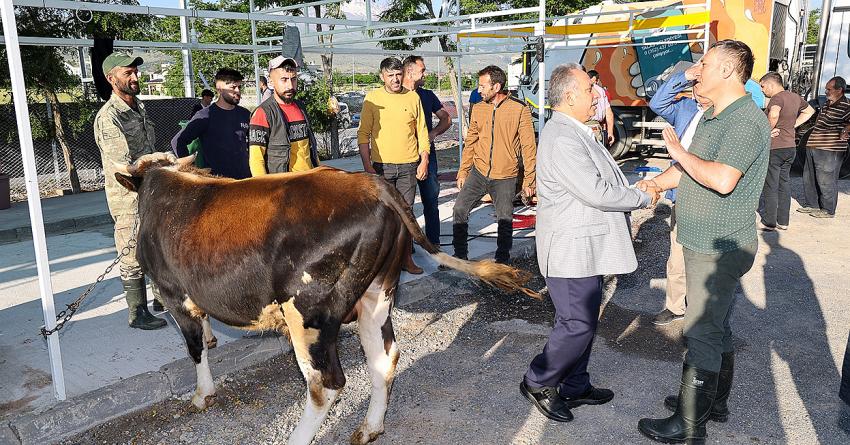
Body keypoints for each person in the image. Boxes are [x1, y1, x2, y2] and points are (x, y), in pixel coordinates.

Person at [636, 40, 770, 443]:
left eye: (705, 64)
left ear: (729, 71)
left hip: (718, 246)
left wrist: (677, 150)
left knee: (701, 331)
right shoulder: (714, 116)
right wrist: (657, 181)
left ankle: (689, 424)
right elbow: (689, 172)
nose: (696, 70)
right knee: (715, 326)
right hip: (702, 240)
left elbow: (722, 179)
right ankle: (714, 403)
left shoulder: (745, 120)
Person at [520, 62, 658, 423]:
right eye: (588, 90)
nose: (596, 94)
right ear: (569, 97)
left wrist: (632, 190)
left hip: (585, 250)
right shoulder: (563, 136)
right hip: (570, 251)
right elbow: (597, 191)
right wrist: (642, 197)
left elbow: (603, 180)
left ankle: (575, 384)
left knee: (585, 321)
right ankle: (539, 379)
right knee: (576, 324)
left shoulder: (576, 130)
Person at [93, 52, 168, 330]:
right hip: (128, 196)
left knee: (156, 245)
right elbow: (125, 165)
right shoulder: (109, 117)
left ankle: (162, 299)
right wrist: (162, 160)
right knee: (131, 250)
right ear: (111, 79)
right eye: (128, 73)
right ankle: (137, 312)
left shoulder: (139, 107)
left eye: (136, 72)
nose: (135, 77)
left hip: (150, 191)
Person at [647, 63, 713, 326]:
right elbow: (657, 103)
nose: (698, 88)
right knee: (677, 257)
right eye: (695, 83)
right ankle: (675, 306)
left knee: (705, 261)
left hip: (709, 197)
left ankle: (703, 310)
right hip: (682, 193)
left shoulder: (725, 114)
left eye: (702, 82)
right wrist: (685, 76)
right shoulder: (686, 108)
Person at [453, 65, 536, 264]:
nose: (479, 90)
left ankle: (502, 260)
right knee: (459, 209)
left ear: (496, 86)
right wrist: (463, 170)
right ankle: (460, 255)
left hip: (505, 176)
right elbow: (471, 141)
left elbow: (529, 147)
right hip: (479, 172)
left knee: (505, 219)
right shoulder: (478, 108)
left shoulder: (519, 109)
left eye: (483, 86)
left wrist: (529, 181)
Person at [358, 57, 430, 274]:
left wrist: (423, 160)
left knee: (406, 214)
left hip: (409, 165)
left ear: (403, 74)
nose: (396, 79)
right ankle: (385, 262)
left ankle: (406, 258)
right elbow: (363, 135)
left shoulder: (412, 98)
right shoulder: (373, 98)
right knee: (384, 215)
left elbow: (422, 132)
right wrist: (367, 166)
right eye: (390, 75)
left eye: (398, 74)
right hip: (381, 167)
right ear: (382, 77)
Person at [402, 55, 452, 246]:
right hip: (403, 158)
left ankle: (434, 242)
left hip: (427, 156)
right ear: (409, 71)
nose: (425, 73)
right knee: (405, 204)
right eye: (422, 70)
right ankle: (407, 246)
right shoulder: (397, 96)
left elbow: (446, 118)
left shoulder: (427, 95)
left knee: (430, 200)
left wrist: (432, 134)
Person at [758, 72, 815, 229]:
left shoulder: (776, 98)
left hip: (775, 147)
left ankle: (769, 222)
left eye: (762, 86)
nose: (762, 90)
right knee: (784, 183)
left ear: (771, 84)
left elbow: (774, 114)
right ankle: (783, 222)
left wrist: (767, 130)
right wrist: (793, 125)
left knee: (771, 184)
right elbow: (810, 111)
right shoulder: (795, 97)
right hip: (790, 147)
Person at [171, 68, 251, 179]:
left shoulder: (245, 114)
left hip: (245, 180)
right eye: (233, 87)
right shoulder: (206, 115)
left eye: (239, 87)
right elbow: (178, 141)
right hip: (218, 184)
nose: (237, 91)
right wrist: (190, 170)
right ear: (220, 89)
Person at [248, 56, 320, 176]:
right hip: (283, 188)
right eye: (284, 80)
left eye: (293, 79)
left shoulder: (300, 107)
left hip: (308, 184)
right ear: (271, 82)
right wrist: (266, 191)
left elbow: (309, 149)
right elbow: (256, 160)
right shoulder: (263, 112)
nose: (290, 86)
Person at [798, 76, 850, 218]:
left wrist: (846, 130)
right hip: (814, 146)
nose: (826, 91)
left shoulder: (846, 105)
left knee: (826, 180)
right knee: (809, 177)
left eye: (829, 89)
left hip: (830, 150)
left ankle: (828, 210)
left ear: (840, 90)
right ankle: (812, 205)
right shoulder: (827, 103)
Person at [588, 70, 616, 147]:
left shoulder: (578, 89)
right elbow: (609, 113)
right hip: (596, 128)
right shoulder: (602, 91)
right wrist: (610, 132)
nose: (596, 96)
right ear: (597, 80)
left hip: (584, 126)